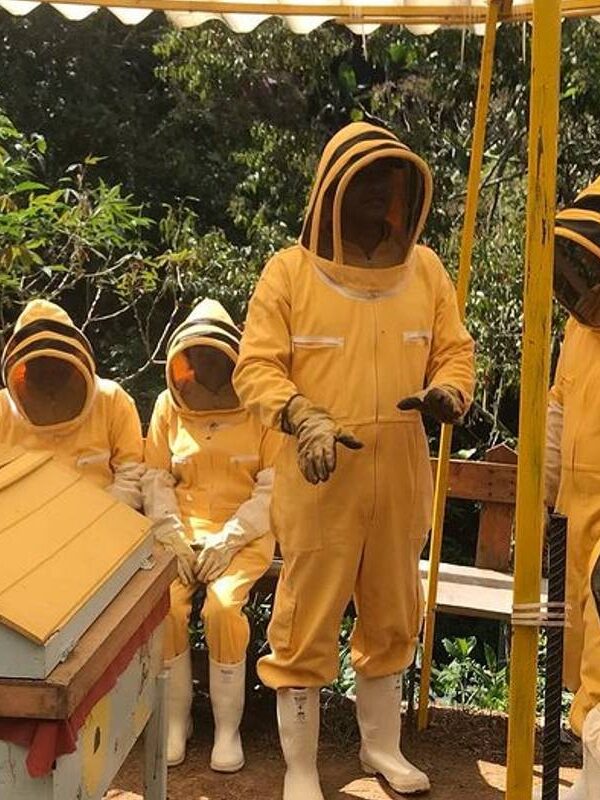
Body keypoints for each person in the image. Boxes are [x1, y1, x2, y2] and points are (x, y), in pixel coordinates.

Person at [233, 121, 475, 799]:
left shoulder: (425, 270)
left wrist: (449, 391)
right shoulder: (288, 272)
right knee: (305, 620)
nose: (377, 194)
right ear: (332, 191)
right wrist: (302, 414)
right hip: (319, 477)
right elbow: (255, 367)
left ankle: (381, 748)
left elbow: (455, 350)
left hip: (400, 472)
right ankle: (302, 769)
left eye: (386, 183)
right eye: (364, 181)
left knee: (393, 613)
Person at [142, 298, 278, 769]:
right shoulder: (168, 406)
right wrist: (171, 535)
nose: (205, 363)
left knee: (222, 606)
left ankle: (226, 730)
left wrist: (231, 537)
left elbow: (274, 487)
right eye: (196, 355)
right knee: (167, 606)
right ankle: (176, 722)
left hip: (245, 536)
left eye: (213, 354)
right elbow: (156, 478)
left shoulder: (260, 408)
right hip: (181, 536)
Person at [546, 176, 600, 799]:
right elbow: (559, 403)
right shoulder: (576, 330)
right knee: (582, 651)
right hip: (575, 514)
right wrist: (546, 486)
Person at [0, 299, 143, 509]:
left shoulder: (111, 398)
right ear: (23, 363)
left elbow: (131, 473)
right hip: (24, 518)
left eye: (54, 356)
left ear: (73, 354)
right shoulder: (2, 409)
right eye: (40, 362)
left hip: (103, 516)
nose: (48, 368)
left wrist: (103, 514)